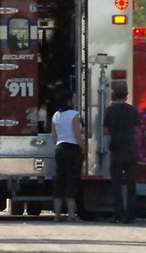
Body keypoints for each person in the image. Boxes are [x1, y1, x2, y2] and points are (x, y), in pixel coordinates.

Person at [103, 82, 140, 224]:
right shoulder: (133, 110)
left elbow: (106, 130)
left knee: (116, 184)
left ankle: (119, 214)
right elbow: (136, 129)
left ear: (114, 95)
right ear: (126, 95)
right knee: (131, 184)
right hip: (131, 149)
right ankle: (131, 215)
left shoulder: (109, 110)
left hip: (116, 149)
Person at [51, 89, 85, 222]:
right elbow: (77, 134)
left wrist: (59, 144)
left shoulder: (55, 115)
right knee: (72, 181)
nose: (75, 100)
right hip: (72, 149)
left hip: (60, 148)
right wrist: (83, 148)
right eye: (73, 98)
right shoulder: (75, 115)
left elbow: (53, 135)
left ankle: (57, 214)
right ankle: (71, 214)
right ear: (68, 101)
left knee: (60, 180)